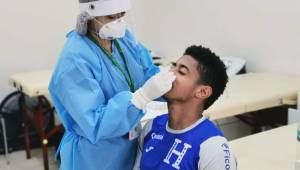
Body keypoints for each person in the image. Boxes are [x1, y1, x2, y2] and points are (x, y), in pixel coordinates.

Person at [48, 0, 175, 169]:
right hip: (95, 157)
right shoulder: (74, 59)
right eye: (111, 17)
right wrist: (141, 98)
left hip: (128, 147)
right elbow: (94, 123)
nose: (119, 22)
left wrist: (169, 84)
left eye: (122, 15)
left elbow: (146, 71)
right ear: (89, 15)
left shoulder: (123, 39)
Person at [134, 45, 237, 170]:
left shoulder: (212, 147)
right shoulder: (151, 127)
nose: (170, 73)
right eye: (173, 66)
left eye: (181, 72)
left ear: (202, 92)